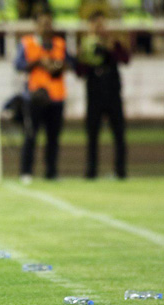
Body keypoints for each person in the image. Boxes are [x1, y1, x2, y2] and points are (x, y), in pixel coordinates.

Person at [15, 9, 71, 183]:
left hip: (56, 96)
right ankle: (26, 172)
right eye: (43, 23)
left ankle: (51, 172)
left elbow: (71, 63)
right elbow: (19, 65)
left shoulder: (60, 43)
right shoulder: (28, 42)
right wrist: (39, 62)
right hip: (35, 96)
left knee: (53, 138)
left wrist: (59, 66)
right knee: (31, 135)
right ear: (36, 25)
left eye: (49, 23)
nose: (46, 27)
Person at [77, 11, 129, 179]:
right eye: (96, 25)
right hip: (95, 93)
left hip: (113, 93)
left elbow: (125, 59)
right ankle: (91, 172)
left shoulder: (112, 41)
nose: (100, 28)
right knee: (92, 134)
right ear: (91, 26)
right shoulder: (86, 44)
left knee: (119, 133)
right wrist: (82, 56)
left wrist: (111, 48)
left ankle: (120, 171)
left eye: (102, 24)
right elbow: (80, 71)